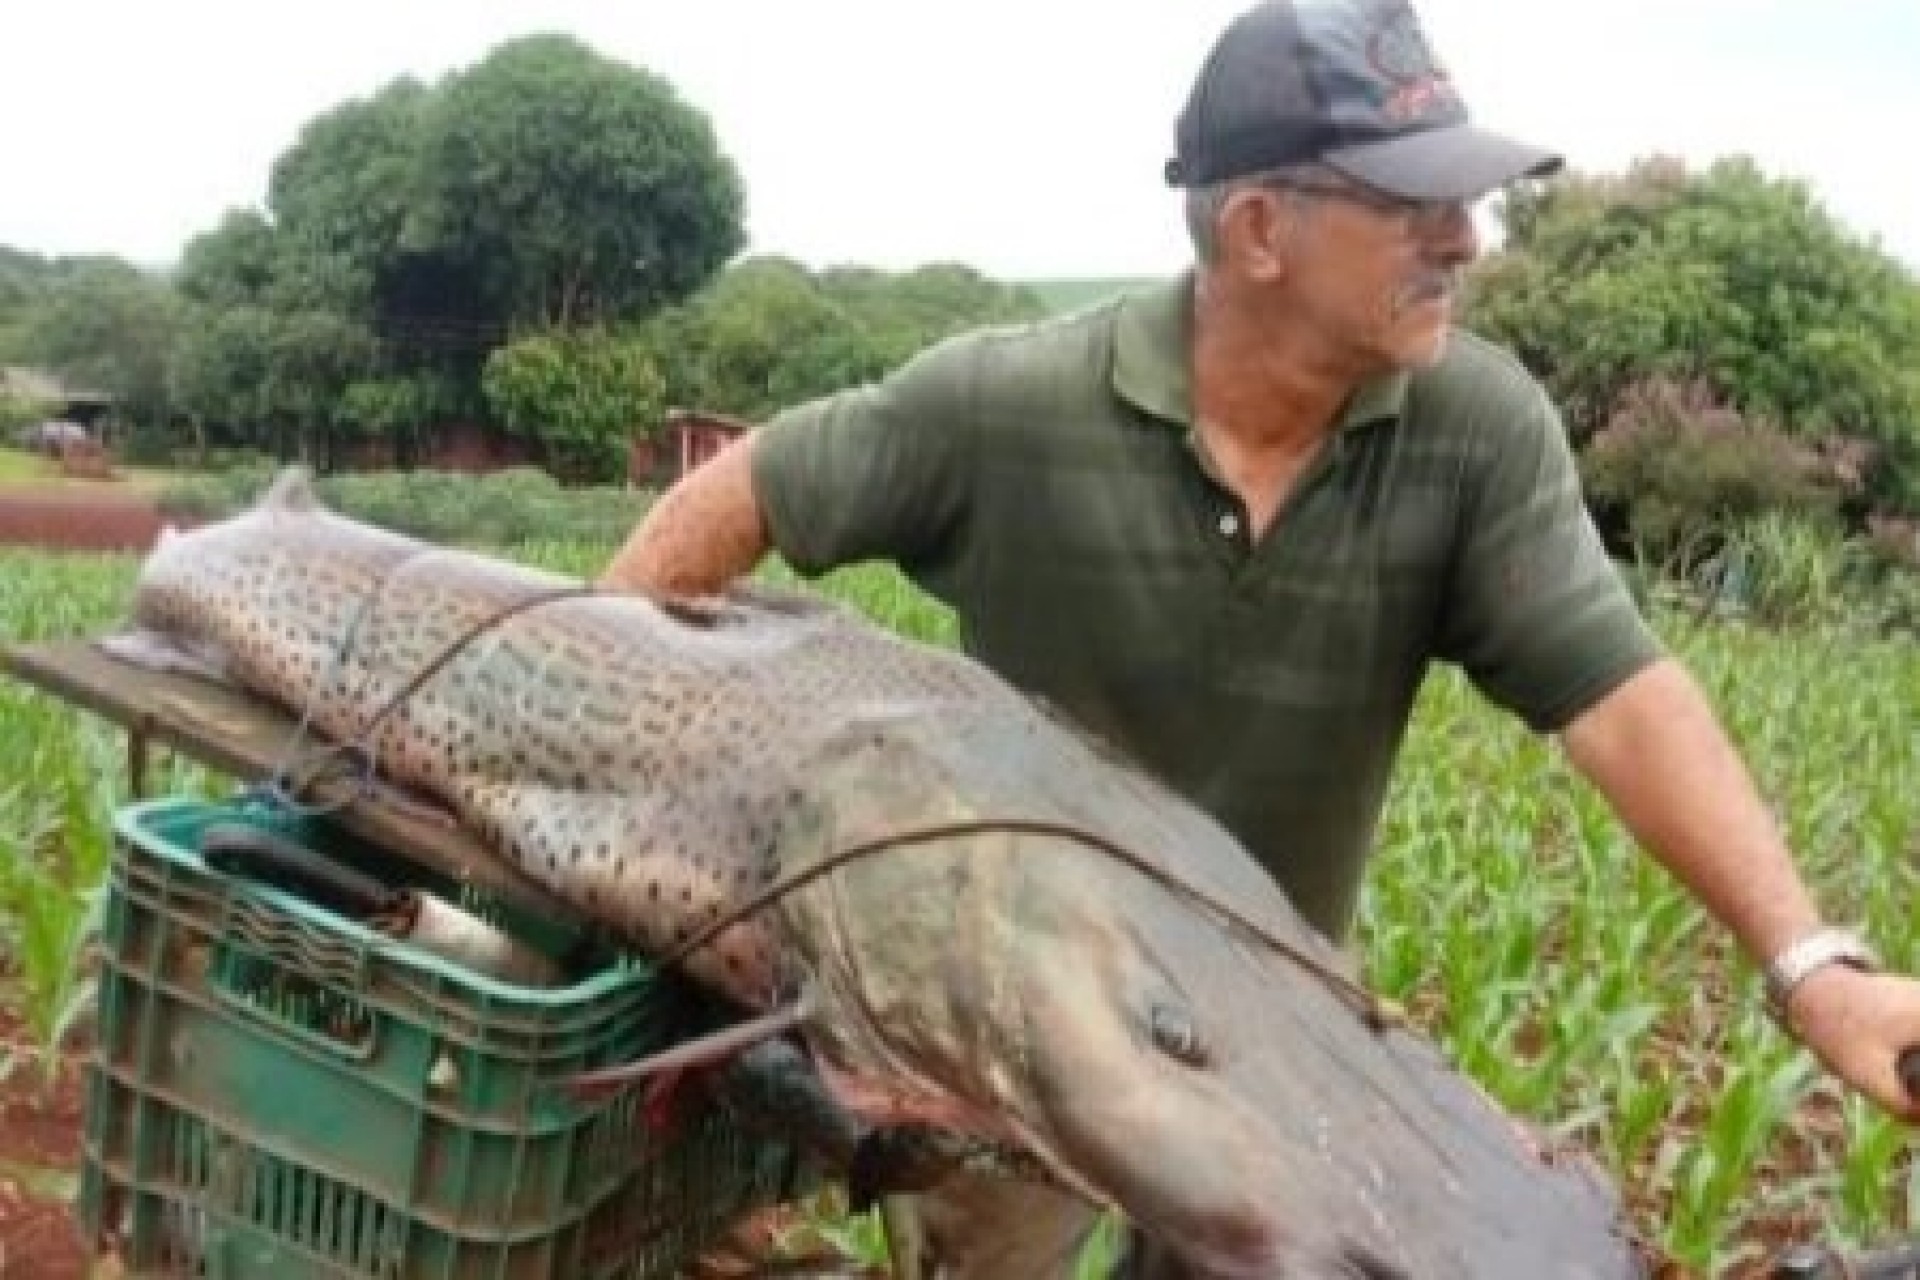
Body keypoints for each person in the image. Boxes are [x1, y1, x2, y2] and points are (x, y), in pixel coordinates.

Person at [602, 0, 1920, 1245]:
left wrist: (1812, 966)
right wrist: (608, 694)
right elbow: (751, 486)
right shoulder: (1009, 404)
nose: (1466, 238)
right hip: (1004, 1034)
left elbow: (1620, 697)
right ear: (1257, 230)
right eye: (1416, 204)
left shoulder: (1474, 430)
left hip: (1273, 1053)